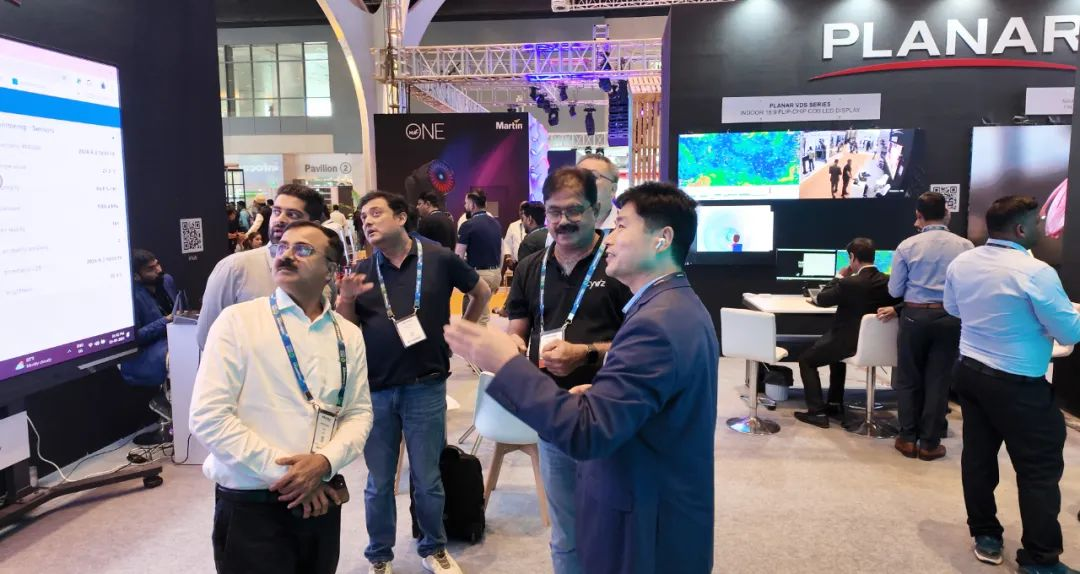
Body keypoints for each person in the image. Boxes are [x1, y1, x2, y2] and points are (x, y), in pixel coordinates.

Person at [446, 182, 719, 574]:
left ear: (662, 239)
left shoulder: (656, 323)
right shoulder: (669, 305)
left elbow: (587, 433)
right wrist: (603, 394)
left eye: (622, 225)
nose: (611, 238)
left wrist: (506, 364)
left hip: (647, 527)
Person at [190, 221, 373, 574]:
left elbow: (359, 413)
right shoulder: (237, 322)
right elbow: (208, 416)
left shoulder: (348, 335)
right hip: (253, 505)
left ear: (330, 271)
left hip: (321, 501)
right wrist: (294, 478)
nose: (286, 255)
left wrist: (323, 463)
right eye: (282, 246)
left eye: (303, 249)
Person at [336, 191, 489, 574]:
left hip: (426, 385)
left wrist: (461, 332)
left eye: (376, 213)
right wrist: (346, 299)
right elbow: (346, 330)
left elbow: (481, 291)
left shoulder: (439, 258)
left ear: (402, 217)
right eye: (363, 218)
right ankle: (379, 557)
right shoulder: (363, 270)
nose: (367, 222)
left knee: (428, 478)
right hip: (376, 390)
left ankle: (433, 547)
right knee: (379, 482)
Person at [505, 168, 631, 574]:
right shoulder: (530, 267)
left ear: (596, 210)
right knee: (566, 532)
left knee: (618, 523)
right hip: (554, 416)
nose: (562, 221)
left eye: (574, 210)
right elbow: (517, 329)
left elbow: (642, 347)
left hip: (611, 414)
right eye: (553, 211)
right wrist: (510, 350)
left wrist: (586, 353)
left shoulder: (619, 265)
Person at [944, 196, 1080, 573]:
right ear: (1021, 229)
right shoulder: (1036, 273)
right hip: (1019, 385)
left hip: (970, 373)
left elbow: (953, 308)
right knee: (1039, 469)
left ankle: (985, 535)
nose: (1043, 226)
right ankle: (1040, 559)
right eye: (1038, 221)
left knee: (978, 458)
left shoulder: (963, 262)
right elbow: (1070, 332)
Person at [879, 192, 972, 460]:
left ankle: (907, 439)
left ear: (918, 215)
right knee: (939, 380)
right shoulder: (965, 246)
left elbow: (895, 290)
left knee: (909, 379)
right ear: (947, 214)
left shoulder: (907, 246)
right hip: (950, 318)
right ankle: (930, 444)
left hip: (914, 317)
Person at [197, 184, 325, 350]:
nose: (280, 219)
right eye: (276, 212)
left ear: (314, 226)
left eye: (292, 214)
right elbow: (207, 338)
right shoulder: (235, 268)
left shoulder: (323, 275)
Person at [794, 238, 900, 428]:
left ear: (852, 257)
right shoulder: (889, 281)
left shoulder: (849, 283)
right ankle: (834, 404)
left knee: (806, 360)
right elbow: (905, 301)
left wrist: (839, 277)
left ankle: (817, 413)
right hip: (881, 345)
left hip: (848, 343)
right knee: (835, 357)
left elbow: (822, 299)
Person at [120, 249, 178, 442]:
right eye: (150, 269)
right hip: (143, 354)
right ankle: (173, 416)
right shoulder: (130, 296)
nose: (158, 270)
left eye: (157, 264)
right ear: (136, 276)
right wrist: (165, 321)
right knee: (180, 359)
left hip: (174, 340)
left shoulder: (167, 281)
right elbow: (133, 338)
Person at [455, 190, 503, 326]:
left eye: (466, 203)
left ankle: (480, 340)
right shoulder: (496, 224)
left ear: (472, 205)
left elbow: (458, 256)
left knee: (479, 321)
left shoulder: (467, 225)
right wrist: (499, 274)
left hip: (480, 276)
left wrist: (458, 278)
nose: (465, 206)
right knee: (475, 317)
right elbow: (501, 251)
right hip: (495, 274)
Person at [577, 153, 619, 230]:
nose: (583, 182)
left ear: (613, 189)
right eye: (578, 176)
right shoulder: (560, 227)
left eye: (593, 176)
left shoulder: (630, 227)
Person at [502, 201, 528, 267]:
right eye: (520, 209)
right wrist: (508, 258)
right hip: (516, 264)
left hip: (529, 263)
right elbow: (507, 243)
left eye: (525, 209)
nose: (522, 211)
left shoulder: (533, 225)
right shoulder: (512, 226)